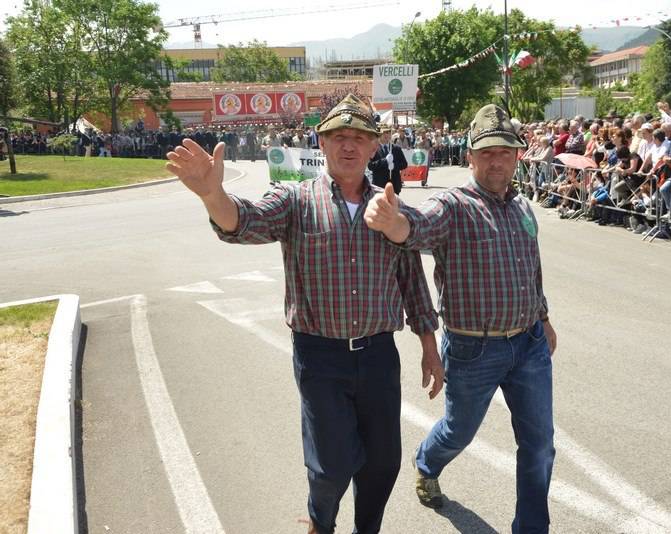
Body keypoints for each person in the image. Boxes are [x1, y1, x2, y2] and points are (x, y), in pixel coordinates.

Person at [165, 94, 444, 534]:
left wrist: (430, 347)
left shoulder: (389, 208)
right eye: (338, 137)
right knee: (331, 465)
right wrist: (212, 194)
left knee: (383, 464)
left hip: (377, 356)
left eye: (359, 138)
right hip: (320, 358)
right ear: (321, 142)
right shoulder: (295, 199)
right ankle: (321, 521)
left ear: (374, 147)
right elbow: (245, 221)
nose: (348, 146)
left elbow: (412, 281)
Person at [364, 103, 557, 534]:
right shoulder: (453, 205)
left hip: (529, 345)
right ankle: (427, 462)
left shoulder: (522, 207)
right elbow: (417, 226)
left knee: (540, 446)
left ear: (517, 156)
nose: (496, 160)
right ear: (470, 156)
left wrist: (542, 317)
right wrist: (394, 221)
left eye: (504, 152)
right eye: (486, 152)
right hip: (473, 349)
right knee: (458, 431)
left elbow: (532, 267)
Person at [369, 125, 408, 194]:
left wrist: (394, 166)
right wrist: (385, 161)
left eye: (389, 133)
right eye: (384, 133)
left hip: (394, 184)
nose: (387, 135)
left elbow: (404, 164)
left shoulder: (396, 148)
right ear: (380, 134)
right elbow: (371, 166)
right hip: (379, 184)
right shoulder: (374, 148)